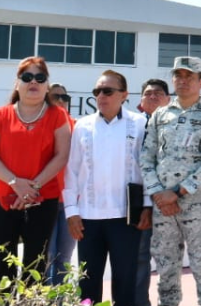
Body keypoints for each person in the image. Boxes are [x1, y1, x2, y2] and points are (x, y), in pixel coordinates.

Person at [0, 56, 73, 293]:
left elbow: (62, 155)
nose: (33, 82)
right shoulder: (0, 114)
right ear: (17, 83)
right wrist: (14, 183)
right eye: (27, 77)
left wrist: (32, 187)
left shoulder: (57, 115)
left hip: (43, 200)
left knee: (36, 263)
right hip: (1, 199)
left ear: (46, 85)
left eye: (40, 78)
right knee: (3, 265)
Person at [141, 57, 201, 306]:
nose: (183, 80)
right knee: (166, 268)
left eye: (190, 76)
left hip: (198, 206)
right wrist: (158, 193)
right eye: (179, 75)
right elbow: (146, 157)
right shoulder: (160, 115)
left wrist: (177, 192)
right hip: (163, 207)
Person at [64, 70, 152, 306]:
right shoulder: (82, 126)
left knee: (126, 282)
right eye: (97, 91)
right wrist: (71, 211)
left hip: (126, 216)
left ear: (124, 94)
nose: (101, 96)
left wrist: (147, 205)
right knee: (88, 283)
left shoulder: (140, 123)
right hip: (88, 217)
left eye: (107, 91)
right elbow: (71, 170)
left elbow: (147, 168)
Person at [136, 77, 170, 306]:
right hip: (141, 204)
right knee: (139, 258)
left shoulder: (179, 125)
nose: (153, 96)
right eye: (148, 93)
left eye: (158, 93)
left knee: (170, 260)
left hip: (173, 202)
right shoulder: (133, 126)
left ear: (168, 99)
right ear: (140, 100)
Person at [45, 82, 78, 286]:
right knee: (46, 259)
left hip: (70, 203)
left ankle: (60, 300)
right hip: (45, 200)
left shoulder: (77, 126)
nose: (60, 101)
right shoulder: (39, 125)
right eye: (55, 96)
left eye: (64, 97)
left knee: (64, 259)